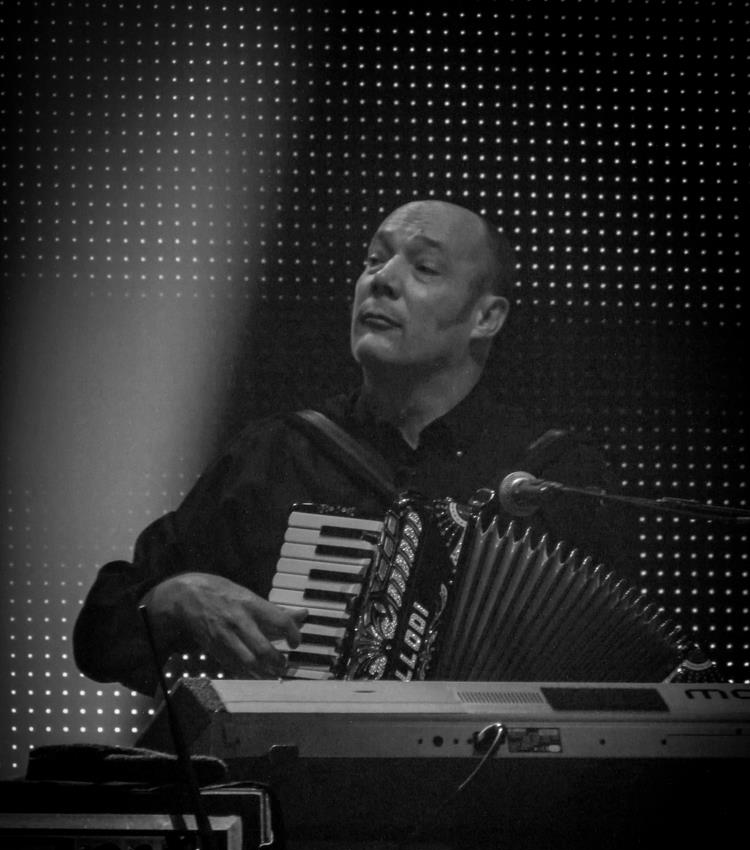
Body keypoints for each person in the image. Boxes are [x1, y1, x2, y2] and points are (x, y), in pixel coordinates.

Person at [74, 200, 629, 696]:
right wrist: (174, 596)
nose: (381, 280)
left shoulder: (551, 476)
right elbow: (99, 639)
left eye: (424, 268)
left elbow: (620, 678)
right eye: (373, 261)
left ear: (485, 317)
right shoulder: (280, 455)